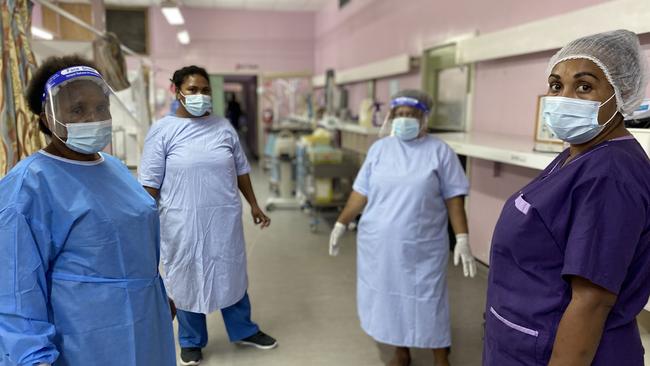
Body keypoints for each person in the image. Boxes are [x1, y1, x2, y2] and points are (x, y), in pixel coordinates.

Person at [483, 30, 650, 366]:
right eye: (557, 85)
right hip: (523, 337)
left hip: (561, 351)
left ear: (623, 92)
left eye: (584, 86)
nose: (564, 98)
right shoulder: (579, 154)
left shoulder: (610, 175)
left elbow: (591, 301)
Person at [0, 56, 176, 365]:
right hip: (88, 337)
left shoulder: (116, 169)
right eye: (78, 109)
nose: (92, 118)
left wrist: (156, 296)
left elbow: (134, 241)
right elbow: (15, 288)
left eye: (100, 107)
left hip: (147, 320)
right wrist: (33, 357)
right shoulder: (29, 186)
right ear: (47, 117)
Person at [329, 89, 478, 366]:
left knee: (428, 299)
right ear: (391, 117)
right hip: (379, 245)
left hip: (421, 245)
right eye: (399, 115)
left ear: (424, 118)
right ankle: (401, 350)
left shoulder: (440, 152)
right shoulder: (379, 149)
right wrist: (341, 223)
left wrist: (462, 238)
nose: (404, 120)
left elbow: (454, 199)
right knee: (390, 299)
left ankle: (440, 355)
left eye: (411, 115)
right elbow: (360, 193)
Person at [139, 65, 276, 366]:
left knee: (231, 272)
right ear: (176, 91)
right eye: (192, 90)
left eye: (204, 90)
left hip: (222, 220)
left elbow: (240, 170)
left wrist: (254, 204)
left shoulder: (223, 127)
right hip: (181, 223)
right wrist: (143, 226)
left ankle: (244, 330)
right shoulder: (162, 131)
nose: (200, 96)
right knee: (186, 277)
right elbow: (149, 184)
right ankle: (190, 340)